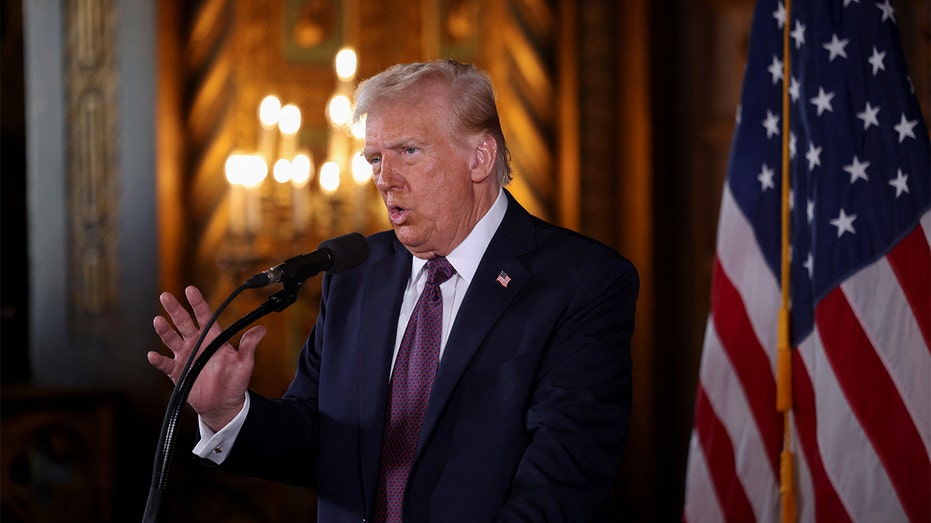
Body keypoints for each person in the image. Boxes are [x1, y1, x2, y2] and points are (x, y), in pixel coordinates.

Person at [148, 59, 639, 522]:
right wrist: (227, 410)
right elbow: (320, 445)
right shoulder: (356, 272)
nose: (385, 179)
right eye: (375, 158)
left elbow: (563, 482)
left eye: (408, 151)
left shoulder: (582, 282)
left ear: (480, 157)